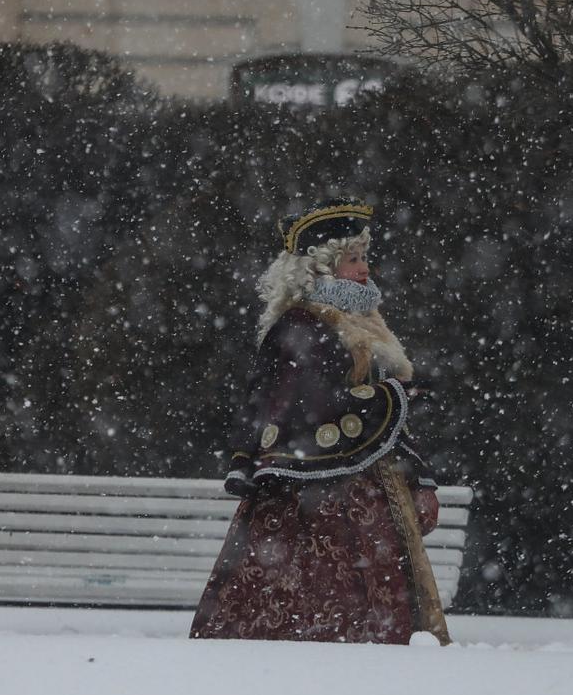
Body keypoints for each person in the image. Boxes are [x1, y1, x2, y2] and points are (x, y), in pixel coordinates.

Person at [189, 199, 450, 644]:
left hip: (366, 487)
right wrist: (394, 395)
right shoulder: (301, 326)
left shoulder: (363, 323)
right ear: (321, 267)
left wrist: (419, 477)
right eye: (353, 259)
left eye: (365, 257)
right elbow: (309, 405)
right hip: (308, 492)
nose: (365, 268)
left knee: (367, 609)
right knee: (309, 603)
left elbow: (378, 418)